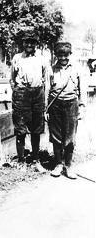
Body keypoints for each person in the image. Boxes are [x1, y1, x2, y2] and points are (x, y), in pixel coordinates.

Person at [47, 42, 86, 179]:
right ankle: (58, 164)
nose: (63, 57)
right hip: (55, 105)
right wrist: (46, 109)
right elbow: (47, 89)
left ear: (70, 54)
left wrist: (82, 107)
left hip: (71, 105)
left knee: (70, 138)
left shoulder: (77, 68)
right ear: (56, 55)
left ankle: (68, 166)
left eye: (65, 55)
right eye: (60, 55)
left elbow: (83, 89)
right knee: (56, 136)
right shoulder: (51, 69)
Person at [10, 30, 48, 173]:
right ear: (23, 43)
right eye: (27, 41)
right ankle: (21, 161)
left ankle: (36, 160)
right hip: (21, 93)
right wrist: (18, 91)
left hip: (37, 93)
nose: (29, 44)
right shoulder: (17, 58)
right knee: (20, 129)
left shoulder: (42, 59)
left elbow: (45, 78)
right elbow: (12, 78)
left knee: (36, 129)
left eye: (32, 42)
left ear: (36, 44)